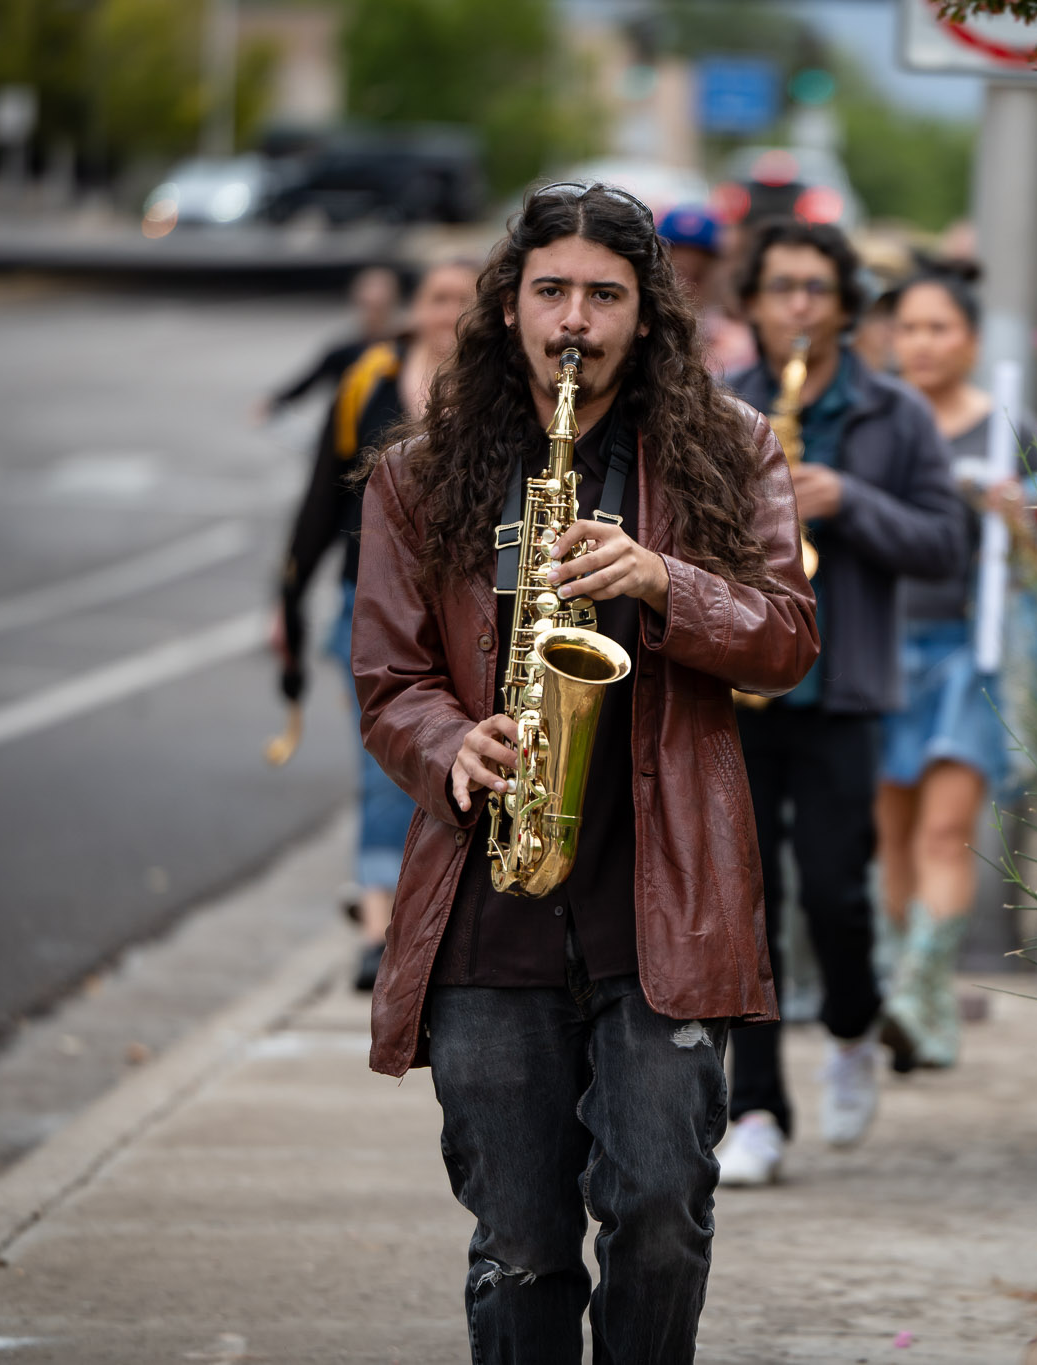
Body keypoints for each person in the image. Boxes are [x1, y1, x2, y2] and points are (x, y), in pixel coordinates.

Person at [353, 183, 816, 1364]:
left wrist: (663, 580)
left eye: (602, 296)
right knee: (520, 1246)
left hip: (661, 902)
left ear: (645, 313)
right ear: (507, 307)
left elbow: (786, 640)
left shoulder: (731, 448)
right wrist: (451, 742)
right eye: (549, 291)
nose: (573, 321)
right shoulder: (419, 474)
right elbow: (389, 681)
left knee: (659, 1215)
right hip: (490, 910)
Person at [714, 220, 965, 1186]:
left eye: (817, 288)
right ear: (752, 302)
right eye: (781, 287)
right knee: (744, 902)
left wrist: (848, 500)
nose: (799, 306)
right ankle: (756, 1109)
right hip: (737, 690)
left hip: (842, 691)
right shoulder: (716, 404)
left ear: (847, 305)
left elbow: (944, 545)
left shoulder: (895, 413)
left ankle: (854, 1027)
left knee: (833, 892)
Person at [272, 259, 477, 991]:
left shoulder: (500, 390)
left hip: (464, 610)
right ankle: (377, 923)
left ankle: (432, 913)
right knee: (385, 766)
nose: (449, 312)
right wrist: (288, 601)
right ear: (416, 307)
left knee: (454, 760)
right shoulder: (369, 379)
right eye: (438, 297)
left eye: (466, 300)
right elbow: (321, 498)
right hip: (371, 602)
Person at [875, 265, 1037, 1072]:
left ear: (971, 340)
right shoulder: (874, 423)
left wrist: (1016, 522)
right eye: (909, 327)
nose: (922, 343)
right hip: (879, 648)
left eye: (938, 327)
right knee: (892, 834)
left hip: (970, 650)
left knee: (947, 831)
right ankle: (922, 1005)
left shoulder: (1011, 431)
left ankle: (914, 992)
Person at [252, 266, 400, 424]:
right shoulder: (344, 350)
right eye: (368, 305)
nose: (372, 312)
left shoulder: (402, 349)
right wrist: (273, 401)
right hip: (346, 427)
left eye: (378, 306)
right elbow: (309, 380)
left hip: (388, 427)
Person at [657, 203, 756, 375]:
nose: (685, 288)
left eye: (698, 274)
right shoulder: (637, 337)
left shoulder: (741, 348)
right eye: (676, 272)